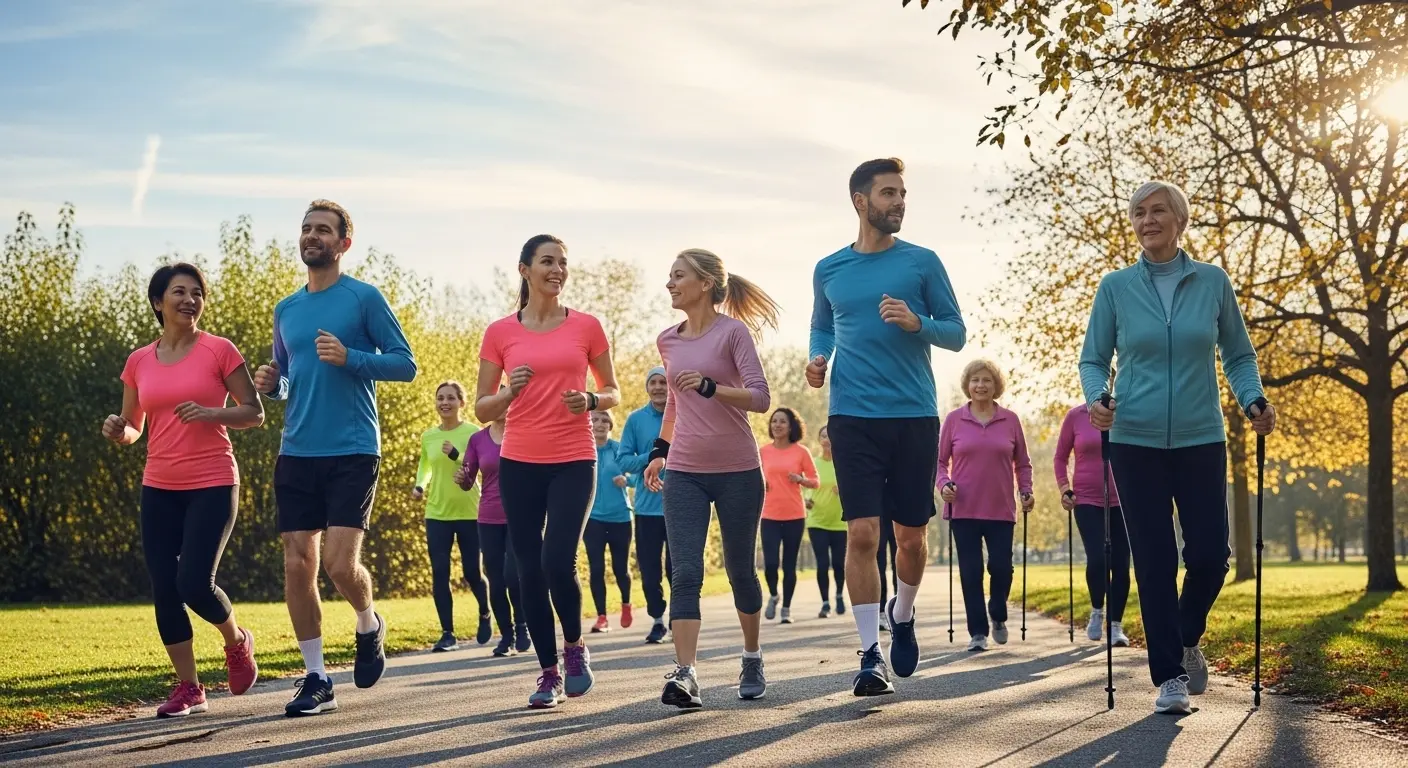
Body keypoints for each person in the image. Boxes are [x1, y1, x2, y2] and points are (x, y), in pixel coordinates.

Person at [1080, 180, 1276, 715]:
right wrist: (1096, 398)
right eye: (1139, 212)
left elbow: (1238, 355)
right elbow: (1094, 359)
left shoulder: (1212, 282)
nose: (1147, 220)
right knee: (1154, 559)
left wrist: (1252, 399)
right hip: (1134, 440)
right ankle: (1168, 675)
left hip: (1200, 437)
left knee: (1212, 556)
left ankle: (1187, 637)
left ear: (1179, 219)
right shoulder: (1115, 288)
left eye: (1158, 210)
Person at [807, 158, 966, 696]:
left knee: (911, 537)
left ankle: (903, 612)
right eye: (889, 193)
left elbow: (957, 333)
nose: (899, 202)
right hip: (851, 416)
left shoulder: (922, 262)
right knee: (862, 533)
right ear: (860, 201)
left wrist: (917, 322)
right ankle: (869, 653)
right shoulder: (829, 268)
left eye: (902, 194)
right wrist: (816, 357)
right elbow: (822, 324)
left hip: (913, 415)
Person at [253, 200, 418, 717]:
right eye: (305, 229)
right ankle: (317, 677)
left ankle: (368, 622)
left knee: (339, 566)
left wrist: (352, 359)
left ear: (343, 243)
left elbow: (405, 365)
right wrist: (271, 385)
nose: (311, 236)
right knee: (297, 564)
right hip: (297, 449)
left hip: (352, 448)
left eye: (322, 230)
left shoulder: (363, 298)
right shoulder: (287, 309)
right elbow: (288, 376)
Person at [103, 262, 262, 718]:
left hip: (213, 479)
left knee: (193, 582)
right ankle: (189, 687)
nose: (190, 299)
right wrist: (120, 431)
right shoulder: (139, 361)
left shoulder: (219, 350)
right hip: (159, 484)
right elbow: (135, 426)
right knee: (164, 588)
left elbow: (254, 413)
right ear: (158, 302)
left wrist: (213, 414)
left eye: (197, 292)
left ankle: (236, 640)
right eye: (179, 292)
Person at [474, 234, 620, 709]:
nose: (557, 269)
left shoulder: (587, 327)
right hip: (519, 462)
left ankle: (575, 647)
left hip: (574, 458)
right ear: (525, 270)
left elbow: (612, 390)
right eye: (547, 262)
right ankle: (548, 672)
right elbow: (481, 407)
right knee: (526, 571)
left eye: (563, 262)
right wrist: (509, 394)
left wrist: (592, 401)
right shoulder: (500, 332)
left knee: (557, 560)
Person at [643, 248, 777, 708]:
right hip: (684, 470)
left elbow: (761, 398)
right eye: (669, 275)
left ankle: (753, 655)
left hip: (739, 469)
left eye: (677, 275)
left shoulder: (733, 332)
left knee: (741, 570)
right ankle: (685, 674)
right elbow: (676, 404)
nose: (669, 284)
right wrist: (659, 452)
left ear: (703, 283)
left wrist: (712, 387)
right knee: (685, 572)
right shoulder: (668, 340)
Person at [936, 360, 1033, 652]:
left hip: (1001, 508)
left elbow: (1023, 464)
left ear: (995, 386)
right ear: (968, 384)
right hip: (962, 507)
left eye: (987, 380)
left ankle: (998, 612)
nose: (981, 385)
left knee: (1001, 567)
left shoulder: (1011, 420)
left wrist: (1027, 490)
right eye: (975, 380)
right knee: (970, 570)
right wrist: (943, 485)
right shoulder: (953, 420)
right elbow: (940, 463)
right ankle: (978, 632)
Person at [413, 381, 489, 653]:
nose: (444, 402)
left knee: (472, 573)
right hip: (436, 512)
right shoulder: (428, 436)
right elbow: (426, 466)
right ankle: (448, 633)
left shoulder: (473, 433)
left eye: (450, 398)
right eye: (440, 398)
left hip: (470, 512)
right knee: (439, 574)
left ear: (461, 402)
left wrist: (456, 455)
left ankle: (485, 612)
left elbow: (479, 465)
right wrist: (420, 484)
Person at [455, 388, 530, 657]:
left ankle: (523, 625)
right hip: (488, 517)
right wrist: (462, 477)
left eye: (506, 399)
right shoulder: (477, 439)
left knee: (513, 575)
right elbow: (467, 480)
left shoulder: (525, 433)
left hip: (520, 516)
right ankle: (506, 635)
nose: (501, 405)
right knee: (496, 581)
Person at [1056, 400, 1131, 647]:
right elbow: (1060, 458)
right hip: (1086, 499)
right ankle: (1097, 610)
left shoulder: (1129, 412)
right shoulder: (1076, 416)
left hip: (1123, 499)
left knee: (1120, 564)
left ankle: (1116, 626)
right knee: (1098, 558)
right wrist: (1065, 489)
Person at [618, 367, 672, 644]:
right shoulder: (636, 420)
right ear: (647, 388)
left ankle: (680, 618)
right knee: (650, 570)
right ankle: (658, 620)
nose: (659, 387)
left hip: (680, 506)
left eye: (664, 381)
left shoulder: (682, 416)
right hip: (646, 509)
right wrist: (650, 458)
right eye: (654, 382)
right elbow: (623, 460)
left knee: (678, 569)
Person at [760, 407, 819, 625]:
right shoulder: (763, 451)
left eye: (782, 421)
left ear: (791, 425)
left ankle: (786, 609)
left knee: (789, 565)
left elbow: (815, 480)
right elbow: (753, 477)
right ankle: (774, 595)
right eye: (774, 421)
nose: (777, 425)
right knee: (771, 564)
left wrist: (800, 479)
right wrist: (760, 483)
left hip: (794, 515)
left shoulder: (801, 452)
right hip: (769, 515)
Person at [585, 410, 635, 634]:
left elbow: (638, 472)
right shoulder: (584, 451)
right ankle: (602, 617)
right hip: (593, 518)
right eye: (595, 419)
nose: (600, 424)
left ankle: (626, 603)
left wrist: (628, 479)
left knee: (620, 568)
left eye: (605, 420)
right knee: (596, 568)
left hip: (620, 518)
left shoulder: (619, 449)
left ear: (611, 425)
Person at [806, 424, 848, 619]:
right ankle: (825, 603)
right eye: (823, 435)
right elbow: (806, 485)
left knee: (839, 563)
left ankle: (839, 594)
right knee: (823, 563)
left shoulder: (844, 463)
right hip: (817, 521)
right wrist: (806, 497)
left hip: (840, 521)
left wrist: (845, 489)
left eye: (830, 435)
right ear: (819, 440)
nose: (826, 439)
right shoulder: (813, 463)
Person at [876, 522, 897, 632]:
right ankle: (881, 611)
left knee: (899, 563)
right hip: (879, 515)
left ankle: (899, 609)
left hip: (899, 512)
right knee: (879, 566)